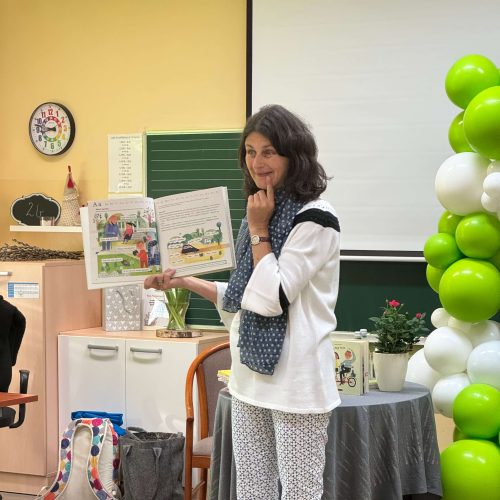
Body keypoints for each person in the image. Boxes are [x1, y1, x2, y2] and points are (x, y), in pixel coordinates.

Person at [144, 104, 341, 500]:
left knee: (300, 493)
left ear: (294, 155)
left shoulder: (315, 218)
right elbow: (241, 300)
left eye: (268, 152)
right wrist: (183, 281)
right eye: (250, 152)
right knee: (252, 489)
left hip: (296, 382)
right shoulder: (261, 211)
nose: (257, 162)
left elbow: (271, 298)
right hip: (249, 378)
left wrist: (258, 229)